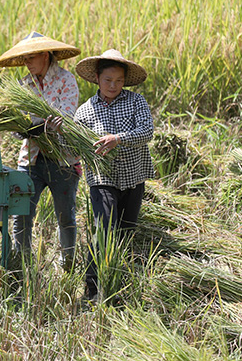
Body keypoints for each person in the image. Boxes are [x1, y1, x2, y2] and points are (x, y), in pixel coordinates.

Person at [0, 31, 82, 271]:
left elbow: (65, 117)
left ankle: (68, 264)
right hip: (31, 160)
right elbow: (15, 127)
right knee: (22, 214)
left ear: (45, 55)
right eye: (24, 59)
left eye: (31, 58)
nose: (27, 63)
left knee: (65, 215)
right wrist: (28, 128)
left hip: (63, 159)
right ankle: (20, 264)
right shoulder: (23, 85)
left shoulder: (66, 81)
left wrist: (36, 125)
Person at [73, 49, 154, 300]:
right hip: (102, 178)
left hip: (133, 176)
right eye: (108, 80)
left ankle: (119, 284)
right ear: (97, 78)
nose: (113, 85)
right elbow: (76, 147)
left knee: (126, 231)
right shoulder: (84, 112)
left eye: (119, 80)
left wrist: (119, 139)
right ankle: (93, 288)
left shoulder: (136, 102)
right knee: (104, 228)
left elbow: (147, 132)